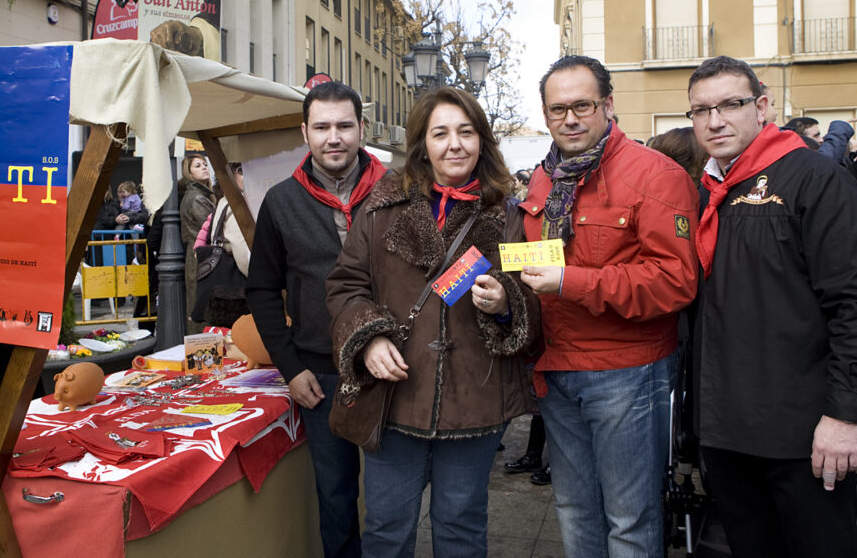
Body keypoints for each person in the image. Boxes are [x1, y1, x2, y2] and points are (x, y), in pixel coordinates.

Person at [327, 86, 536, 557]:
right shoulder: (381, 208)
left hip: (475, 402)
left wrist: (507, 302)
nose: (454, 144)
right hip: (397, 397)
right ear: (422, 143)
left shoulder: (507, 216)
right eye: (440, 133)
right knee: (386, 529)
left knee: (461, 527)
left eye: (466, 132)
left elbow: (533, 295)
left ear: (482, 140)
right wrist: (369, 339)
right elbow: (345, 285)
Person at [519, 54, 699, 558]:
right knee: (575, 511)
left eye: (582, 105)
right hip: (556, 370)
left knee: (630, 519)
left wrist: (571, 282)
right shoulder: (543, 178)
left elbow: (676, 281)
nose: (570, 119)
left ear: (608, 105)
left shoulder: (655, 175)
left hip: (627, 373)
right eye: (558, 110)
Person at [687, 55, 857, 557]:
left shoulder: (814, 179)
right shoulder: (707, 191)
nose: (715, 121)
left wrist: (844, 416)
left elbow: (850, 301)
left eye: (730, 105)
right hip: (727, 433)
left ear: (762, 107)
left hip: (804, 436)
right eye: (701, 111)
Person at [246, 81, 386, 558]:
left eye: (345, 126)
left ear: (362, 129)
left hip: (393, 369)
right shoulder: (281, 202)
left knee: (392, 500)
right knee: (336, 498)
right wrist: (290, 366)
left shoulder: (396, 193)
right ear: (304, 132)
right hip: (320, 375)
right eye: (322, 127)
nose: (334, 138)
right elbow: (262, 290)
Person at [191, 163, 250, 328]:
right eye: (242, 171)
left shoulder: (226, 201)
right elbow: (244, 256)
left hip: (224, 296)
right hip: (237, 293)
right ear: (230, 175)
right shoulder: (236, 205)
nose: (249, 175)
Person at [179, 154, 219, 321]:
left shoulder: (200, 195)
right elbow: (213, 227)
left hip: (199, 256)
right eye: (197, 166)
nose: (204, 167)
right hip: (200, 256)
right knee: (201, 308)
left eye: (204, 164)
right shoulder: (197, 198)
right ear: (188, 173)